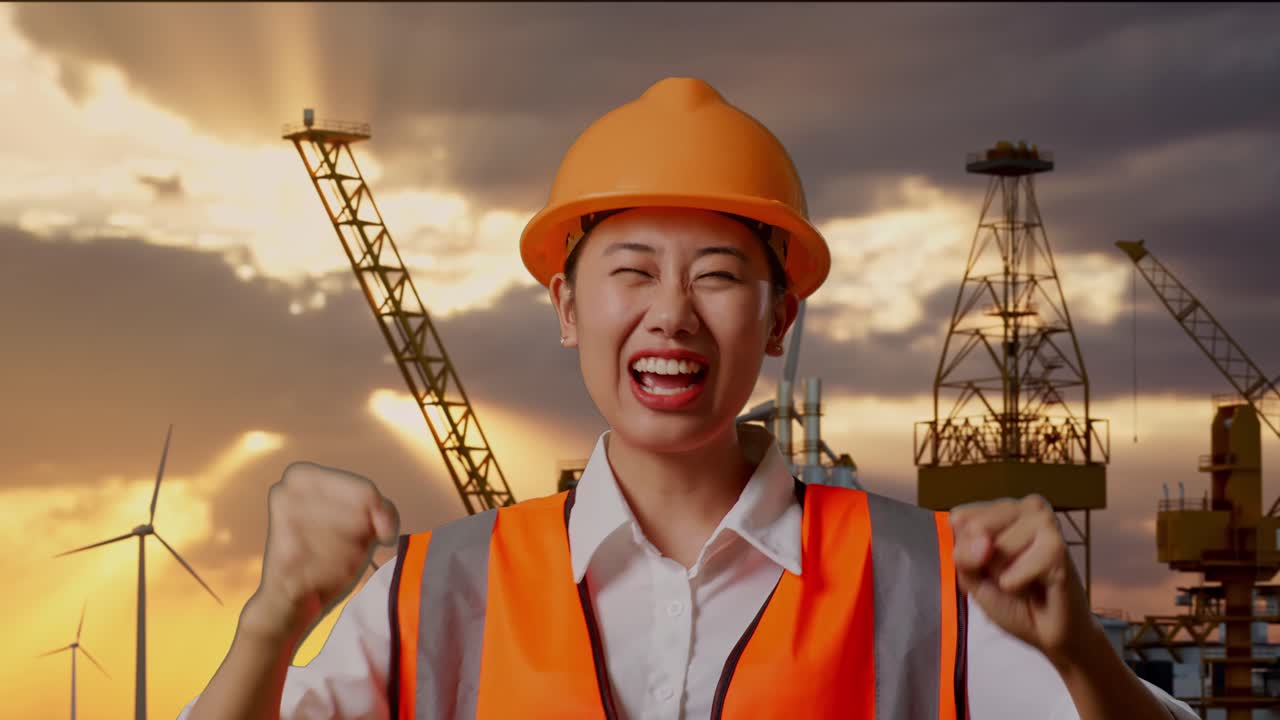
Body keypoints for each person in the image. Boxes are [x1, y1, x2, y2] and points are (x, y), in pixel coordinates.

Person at [180, 78, 1197, 719]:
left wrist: (1079, 662)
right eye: (630, 270)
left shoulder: (930, 588)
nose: (670, 313)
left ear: (779, 317)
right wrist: (270, 624)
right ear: (565, 305)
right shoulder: (427, 593)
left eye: (715, 274)